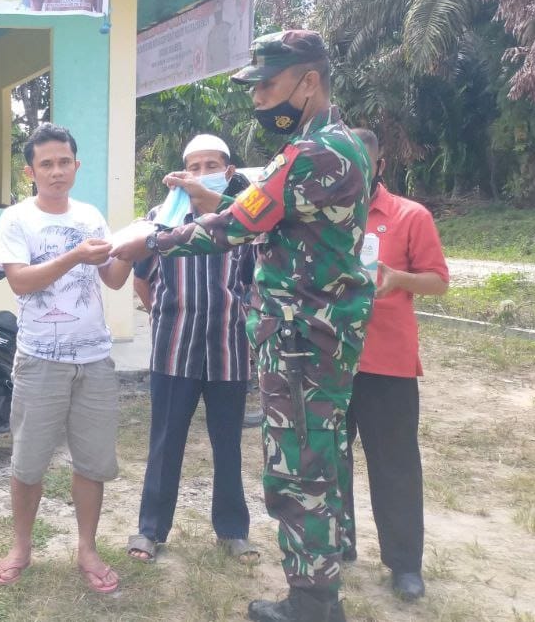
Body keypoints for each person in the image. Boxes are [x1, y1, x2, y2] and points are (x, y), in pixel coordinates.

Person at [114, 30, 375, 622]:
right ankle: (321, 586)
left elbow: (234, 226)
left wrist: (149, 241)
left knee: (299, 469)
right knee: (324, 458)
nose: (259, 99)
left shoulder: (310, 154)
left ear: (308, 81)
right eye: (254, 88)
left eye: (269, 85)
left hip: (300, 338)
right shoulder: (348, 144)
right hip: (324, 332)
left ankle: (312, 603)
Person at [0, 123, 131, 593]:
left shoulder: (91, 216)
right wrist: (73, 256)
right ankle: (21, 547)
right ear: (30, 171)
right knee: (28, 462)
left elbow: (111, 279)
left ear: (76, 165)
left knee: (92, 461)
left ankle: (87, 547)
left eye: (63, 162)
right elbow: (20, 282)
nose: (55, 172)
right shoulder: (16, 219)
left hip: (94, 358)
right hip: (40, 358)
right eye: (45, 164)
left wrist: (139, 246)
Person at [127, 134, 258, 566]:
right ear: (182, 174)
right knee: (165, 440)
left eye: (212, 165)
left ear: (230, 171)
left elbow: (255, 283)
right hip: (174, 348)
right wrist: (165, 313)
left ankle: (233, 530)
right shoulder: (160, 218)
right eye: (194, 166)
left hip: (229, 347)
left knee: (228, 442)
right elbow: (142, 277)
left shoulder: (245, 219)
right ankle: (150, 530)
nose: (203, 174)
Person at [338, 128, 449, 602]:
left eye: (363, 166)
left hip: (388, 363)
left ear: (379, 166)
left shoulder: (410, 216)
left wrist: (398, 278)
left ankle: (404, 564)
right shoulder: (323, 218)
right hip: (330, 359)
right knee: (327, 461)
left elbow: (438, 282)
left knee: (395, 466)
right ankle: (337, 545)